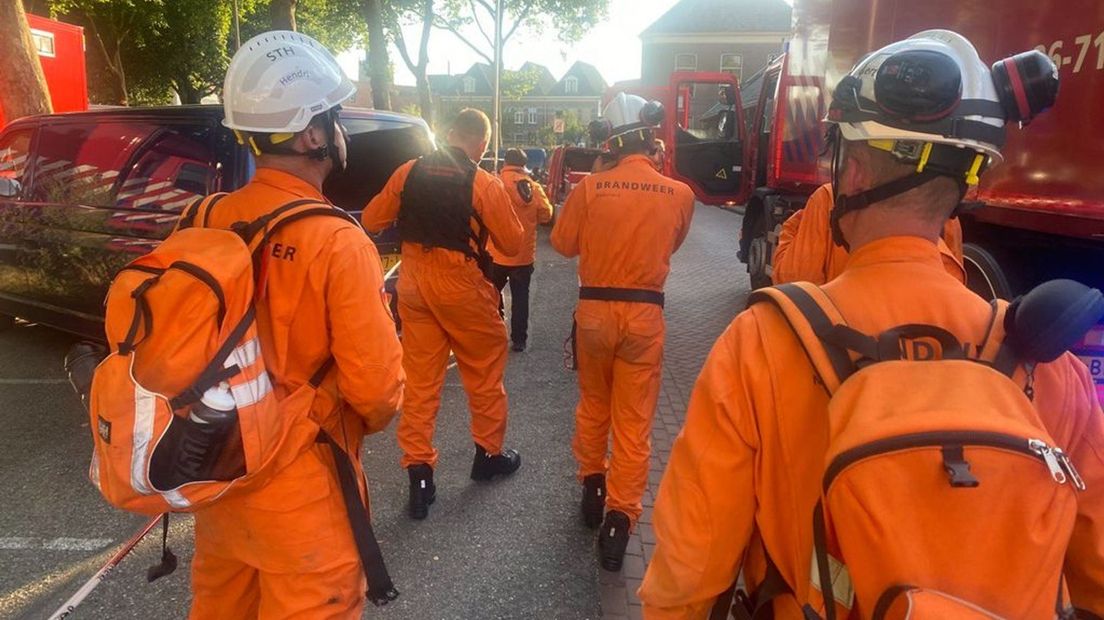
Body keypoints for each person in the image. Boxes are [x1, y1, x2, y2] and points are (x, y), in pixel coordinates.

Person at [640, 32, 1104, 618]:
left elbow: (690, 570)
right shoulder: (1048, 362)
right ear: (967, 182)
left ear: (853, 173)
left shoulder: (763, 343)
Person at [189, 31, 404, 618]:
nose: (342, 133)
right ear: (312, 134)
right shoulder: (337, 240)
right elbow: (378, 394)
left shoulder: (203, 216)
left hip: (218, 484)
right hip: (304, 496)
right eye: (334, 118)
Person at [551, 93, 696, 572]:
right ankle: (619, 518)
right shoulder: (680, 194)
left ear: (609, 140)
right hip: (644, 316)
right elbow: (672, 243)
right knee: (633, 423)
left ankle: (592, 486)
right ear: (651, 138)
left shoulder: (591, 189)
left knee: (594, 405)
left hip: (593, 314)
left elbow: (562, 243)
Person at [363, 108, 525, 520]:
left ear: (447, 132)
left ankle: (420, 475)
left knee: (421, 381)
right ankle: (488, 456)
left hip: (414, 283)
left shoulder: (408, 172)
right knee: (485, 371)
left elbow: (371, 219)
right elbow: (510, 243)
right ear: (483, 144)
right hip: (461, 285)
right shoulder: (483, 184)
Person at [772, 182, 966, 284]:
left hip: (839, 346)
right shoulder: (944, 214)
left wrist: (793, 227)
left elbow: (795, 279)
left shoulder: (829, 198)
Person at [489, 148, 554, 352]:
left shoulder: (493, 184)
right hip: (523, 255)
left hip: (495, 253)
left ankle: (492, 333)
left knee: (490, 294)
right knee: (520, 296)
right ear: (523, 165)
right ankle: (519, 340)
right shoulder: (533, 188)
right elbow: (546, 215)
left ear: (505, 163)